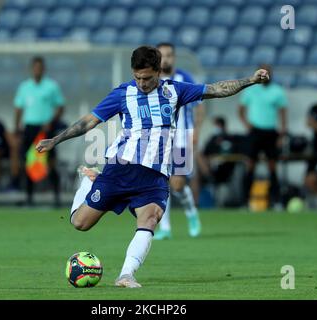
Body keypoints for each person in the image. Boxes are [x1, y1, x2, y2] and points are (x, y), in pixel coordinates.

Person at [35, 46, 270, 288]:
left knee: (150, 219)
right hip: (122, 167)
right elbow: (89, 121)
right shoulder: (122, 94)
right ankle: (91, 181)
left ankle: (126, 275)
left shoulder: (175, 91)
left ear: (158, 71)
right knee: (80, 224)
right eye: (137, 77)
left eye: (147, 78)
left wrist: (250, 80)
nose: (142, 83)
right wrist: (56, 139)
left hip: (155, 175)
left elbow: (216, 89)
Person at [154, 42, 205, 240]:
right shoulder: (151, 80)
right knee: (160, 185)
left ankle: (191, 213)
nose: (166, 59)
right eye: (162, 55)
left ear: (174, 57)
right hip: (157, 141)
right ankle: (165, 228)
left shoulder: (184, 78)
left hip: (181, 139)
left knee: (177, 184)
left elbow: (200, 106)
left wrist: (196, 131)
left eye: (169, 55)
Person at [14, 56, 66, 207]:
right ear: (32, 69)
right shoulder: (24, 87)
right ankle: (29, 197)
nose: (37, 70)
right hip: (29, 128)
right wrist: (17, 128)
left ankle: (57, 197)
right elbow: (18, 108)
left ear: (43, 69)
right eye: (35, 67)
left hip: (45, 128)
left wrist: (51, 122)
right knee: (29, 162)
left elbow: (60, 106)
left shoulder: (51, 86)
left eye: (40, 67)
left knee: (50, 162)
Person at [238, 64, 288, 208]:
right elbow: (241, 110)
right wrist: (247, 125)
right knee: (250, 166)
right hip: (255, 132)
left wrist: (282, 132)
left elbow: (283, 111)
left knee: (272, 167)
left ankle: (276, 200)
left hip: (271, 132)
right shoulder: (251, 90)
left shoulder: (277, 91)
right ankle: (245, 201)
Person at [193, 117, 237, 206]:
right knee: (196, 171)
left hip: (226, 168)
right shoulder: (212, 139)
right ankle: (196, 202)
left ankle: (209, 176)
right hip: (212, 167)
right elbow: (205, 153)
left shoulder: (230, 138)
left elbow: (234, 152)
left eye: (217, 125)